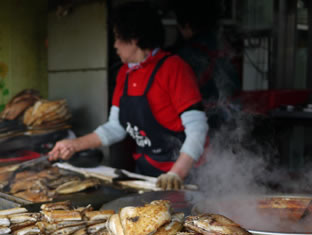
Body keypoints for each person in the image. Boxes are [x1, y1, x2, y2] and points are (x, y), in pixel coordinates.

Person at [48, 2, 208, 190]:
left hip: (184, 175)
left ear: (134, 38)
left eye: (117, 38)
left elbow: (198, 128)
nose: (115, 45)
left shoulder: (173, 68)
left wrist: (176, 173)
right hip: (146, 174)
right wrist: (74, 145)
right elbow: (116, 128)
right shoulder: (125, 73)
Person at [169, 0, 241, 131]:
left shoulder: (183, 56)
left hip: (201, 125)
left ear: (187, 26)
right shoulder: (225, 48)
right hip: (230, 123)